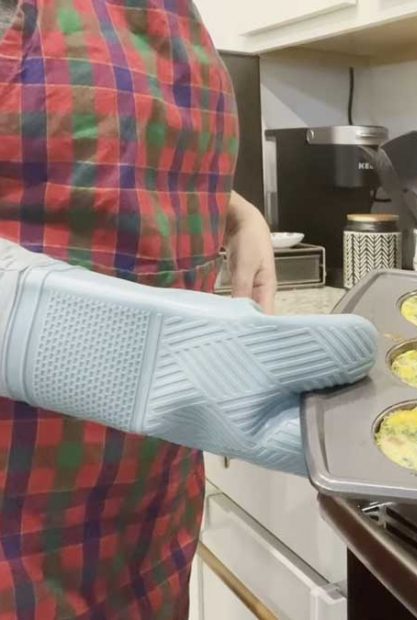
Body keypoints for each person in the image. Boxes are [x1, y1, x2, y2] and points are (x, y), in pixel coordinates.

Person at [0, 1, 374, 616]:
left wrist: (227, 207)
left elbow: (94, 152)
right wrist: (102, 343)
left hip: (151, 523)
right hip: (22, 533)